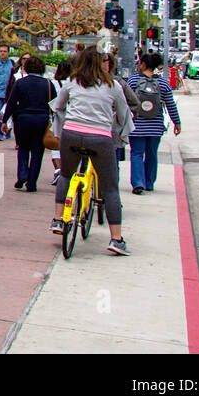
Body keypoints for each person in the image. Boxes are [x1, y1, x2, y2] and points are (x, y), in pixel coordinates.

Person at [48, 48, 134, 255]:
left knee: (66, 175)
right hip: (100, 139)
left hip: (71, 135)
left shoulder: (72, 82)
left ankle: (59, 220)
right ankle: (116, 239)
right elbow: (123, 115)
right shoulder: (113, 86)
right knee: (110, 187)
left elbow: (58, 106)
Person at [126, 52, 181, 194]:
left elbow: (125, 103)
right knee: (152, 154)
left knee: (137, 153)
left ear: (143, 64)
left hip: (136, 125)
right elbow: (170, 104)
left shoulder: (132, 81)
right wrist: (177, 122)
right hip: (155, 126)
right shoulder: (163, 83)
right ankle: (149, 183)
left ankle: (138, 183)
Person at [2, 55, 56, 192]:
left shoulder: (20, 83)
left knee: (23, 148)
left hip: (23, 119)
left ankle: (22, 174)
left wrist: (4, 120)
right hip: (42, 119)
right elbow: (55, 105)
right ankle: (32, 183)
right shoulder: (48, 84)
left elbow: (12, 103)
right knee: (38, 151)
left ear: (25, 68)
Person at [48, 59, 73, 182]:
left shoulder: (53, 83)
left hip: (57, 117)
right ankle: (67, 170)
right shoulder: (74, 83)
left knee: (56, 144)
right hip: (72, 118)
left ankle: (58, 169)